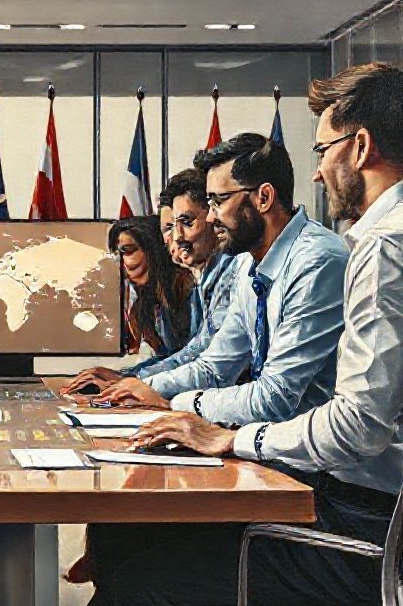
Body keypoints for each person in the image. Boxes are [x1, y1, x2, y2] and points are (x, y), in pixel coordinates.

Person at [98, 62, 403, 606]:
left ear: (360, 146)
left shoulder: (374, 245)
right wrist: (158, 394)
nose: (317, 170)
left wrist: (231, 439)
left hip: (367, 526)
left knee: (143, 587)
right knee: (143, 542)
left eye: (323, 149)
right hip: (359, 502)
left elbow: (357, 424)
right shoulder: (334, 248)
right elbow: (217, 359)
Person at [95, 133, 349, 429]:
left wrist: (175, 402)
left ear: (263, 198)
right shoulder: (246, 264)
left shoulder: (316, 260)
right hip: (269, 448)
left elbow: (274, 398)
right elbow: (215, 367)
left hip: (319, 466)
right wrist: (144, 388)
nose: (211, 218)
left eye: (218, 202)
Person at [64, 169, 239, 397]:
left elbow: (201, 355)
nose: (177, 237)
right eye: (168, 228)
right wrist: (129, 378)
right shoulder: (172, 292)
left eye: (128, 251)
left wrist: (136, 381)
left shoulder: (199, 284)